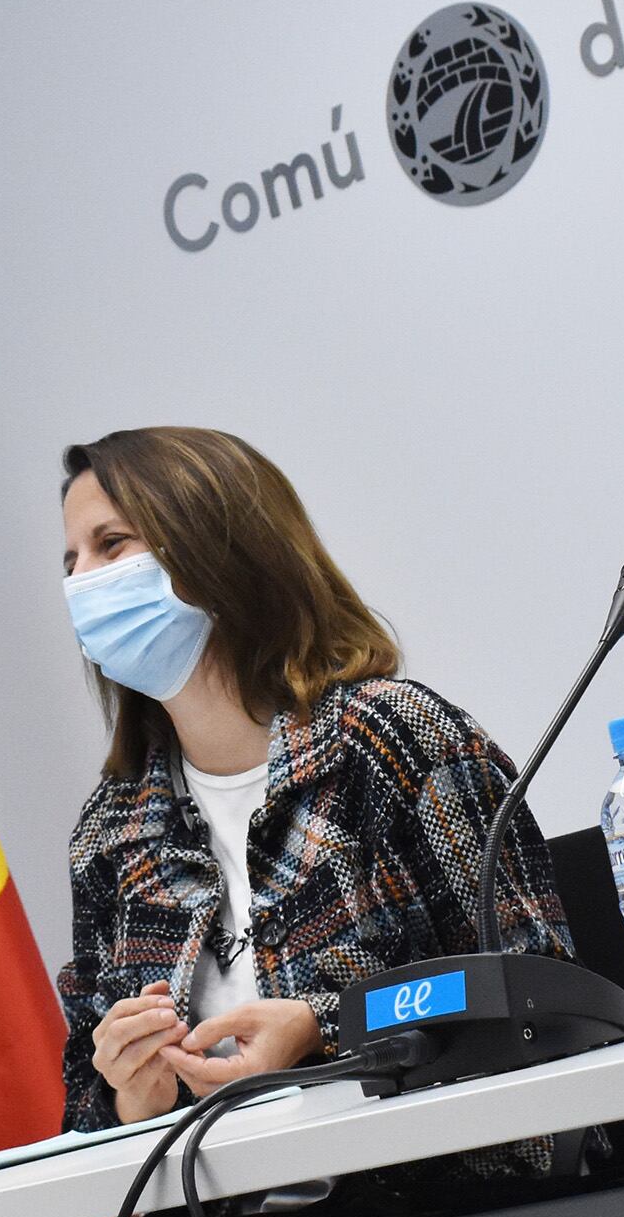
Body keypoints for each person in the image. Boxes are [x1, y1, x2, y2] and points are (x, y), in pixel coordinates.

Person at [49, 427, 570, 1129]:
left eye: (111, 545)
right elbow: (82, 1107)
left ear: (212, 551)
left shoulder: (390, 740)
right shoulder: (113, 826)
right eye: (71, 559)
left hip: (439, 1197)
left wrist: (326, 1027)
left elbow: (537, 988)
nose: (81, 581)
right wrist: (131, 1096)